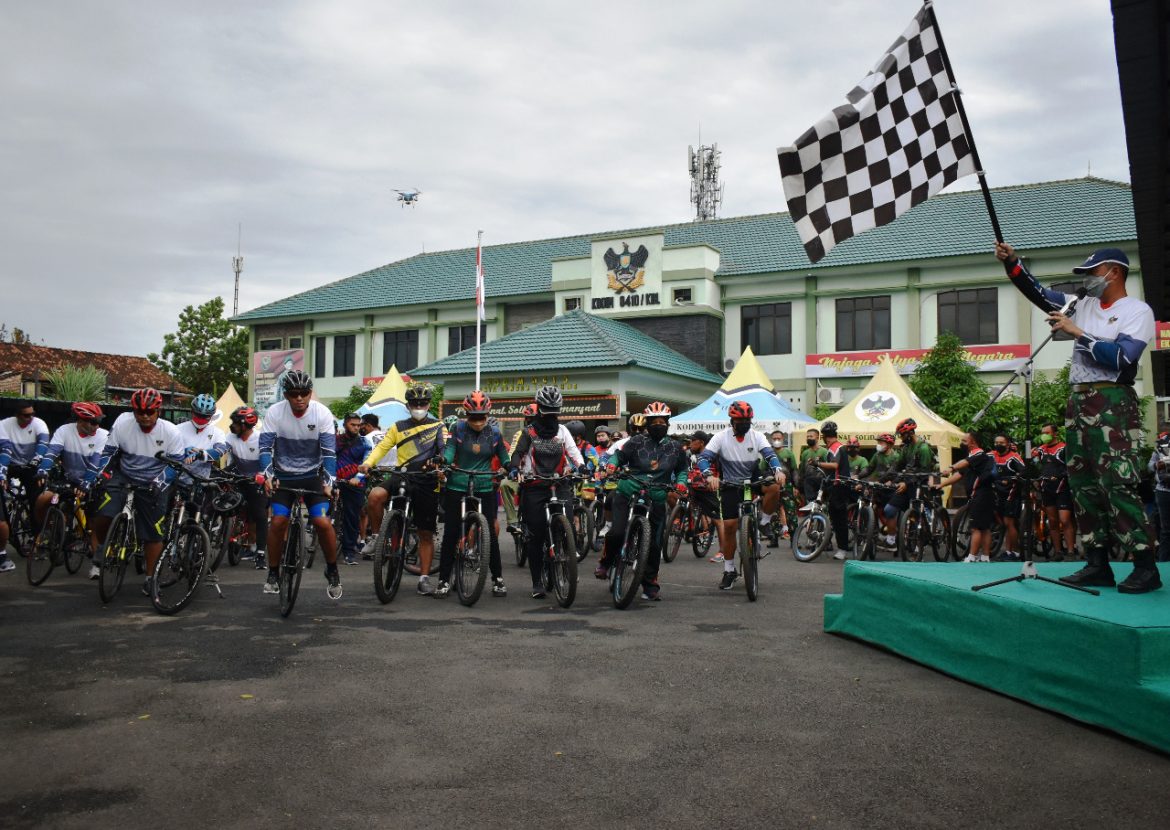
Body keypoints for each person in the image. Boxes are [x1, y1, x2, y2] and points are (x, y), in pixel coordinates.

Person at [997, 241, 1159, 592]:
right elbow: (1037, 292)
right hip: (1079, 402)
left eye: (1092, 273)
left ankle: (1145, 564)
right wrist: (1013, 264)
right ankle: (1096, 562)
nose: (1087, 280)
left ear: (1114, 272)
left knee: (1117, 482)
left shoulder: (1137, 311)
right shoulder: (1080, 304)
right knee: (1083, 485)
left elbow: (1122, 359)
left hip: (1113, 400)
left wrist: (1078, 333)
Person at [88, 388, 186, 595]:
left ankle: (151, 578)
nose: (145, 416)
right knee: (104, 513)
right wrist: (97, 474)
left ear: (158, 411)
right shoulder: (123, 424)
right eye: (140, 412)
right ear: (133, 411)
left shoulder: (171, 431)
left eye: (150, 412)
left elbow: (176, 465)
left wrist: (159, 482)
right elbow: (108, 453)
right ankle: (103, 546)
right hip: (124, 475)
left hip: (154, 481)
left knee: (153, 534)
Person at [257, 370, 343, 600]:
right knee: (278, 521)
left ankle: (332, 568)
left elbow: (329, 453)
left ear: (309, 393)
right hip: (283, 476)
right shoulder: (275, 412)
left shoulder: (321, 413)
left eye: (304, 393)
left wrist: (329, 482)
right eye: (294, 394)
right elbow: (265, 449)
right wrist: (268, 475)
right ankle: (273, 572)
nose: (299, 398)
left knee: (322, 522)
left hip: (312, 476)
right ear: (285, 394)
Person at [596, 402, 688, 600]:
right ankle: (606, 562)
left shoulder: (675, 447)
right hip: (628, 491)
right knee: (617, 532)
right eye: (654, 421)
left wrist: (681, 483)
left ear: (668, 423)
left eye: (662, 421)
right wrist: (611, 466)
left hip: (657, 496)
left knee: (654, 543)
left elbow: (682, 470)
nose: (658, 424)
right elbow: (618, 457)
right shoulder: (636, 441)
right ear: (647, 423)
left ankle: (650, 583)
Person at [359, 382, 444, 595]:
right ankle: (378, 537)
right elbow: (382, 448)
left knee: (425, 533)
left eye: (422, 403)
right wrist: (368, 464)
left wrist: (440, 463)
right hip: (402, 475)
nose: (418, 406)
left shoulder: (438, 426)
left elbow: (445, 450)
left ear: (428, 404)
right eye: (414, 403)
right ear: (408, 405)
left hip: (426, 480)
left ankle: (424, 579)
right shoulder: (397, 426)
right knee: (375, 496)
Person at [695, 401, 784, 590]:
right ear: (732, 421)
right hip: (729, 484)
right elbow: (704, 458)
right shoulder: (721, 437)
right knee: (729, 527)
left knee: (775, 487)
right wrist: (709, 476)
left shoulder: (757, 436)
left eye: (747, 420)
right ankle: (729, 570)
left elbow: (769, 454)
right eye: (740, 420)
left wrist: (778, 470)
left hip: (751, 483)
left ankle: (765, 522)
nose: (744, 423)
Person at [507, 386, 585, 598]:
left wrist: (583, 467)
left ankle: (565, 559)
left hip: (559, 484)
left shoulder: (563, 431)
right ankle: (537, 582)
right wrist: (515, 469)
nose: (550, 413)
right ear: (539, 408)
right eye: (546, 409)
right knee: (537, 535)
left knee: (566, 525)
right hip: (534, 486)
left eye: (554, 409)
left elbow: (574, 453)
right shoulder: (528, 432)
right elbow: (518, 454)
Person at [437, 391, 510, 598]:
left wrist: (508, 466)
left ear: (488, 414)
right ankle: (443, 580)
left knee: (490, 536)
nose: (478, 421)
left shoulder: (495, 432)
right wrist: (443, 461)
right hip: (457, 484)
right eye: (473, 417)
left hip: (485, 485)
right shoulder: (457, 428)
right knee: (451, 533)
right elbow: (450, 451)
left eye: (482, 417)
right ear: (466, 414)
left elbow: (503, 456)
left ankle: (498, 579)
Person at [35, 402, 108, 578]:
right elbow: (52, 452)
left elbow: (95, 465)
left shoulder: (103, 435)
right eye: (92, 422)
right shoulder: (64, 430)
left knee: (93, 523)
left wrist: (86, 484)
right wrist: (43, 470)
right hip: (70, 479)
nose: (96, 426)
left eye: (98, 421)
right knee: (43, 499)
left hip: (93, 480)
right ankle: (46, 531)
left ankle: (96, 565)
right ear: (80, 420)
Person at [0, 402, 51, 572]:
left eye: (32, 414)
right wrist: (3, 472)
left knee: (36, 500)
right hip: (11, 465)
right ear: (17, 415)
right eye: (26, 415)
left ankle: (38, 538)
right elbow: (5, 450)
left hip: (31, 466)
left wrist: (37, 459)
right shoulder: (4, 425)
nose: (30, 418)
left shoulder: (39, 423)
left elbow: (43, 444)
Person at [941, 431, 996, 562]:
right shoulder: (972, 457)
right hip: (981, 495)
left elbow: (962, 464)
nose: (962, 443)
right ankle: (985, 557)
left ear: (973, 442)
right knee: (985, 527)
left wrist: (950, 467)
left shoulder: (978, 454)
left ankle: (972, 556)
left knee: (976, 527)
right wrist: (941, 485)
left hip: (981, 495)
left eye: (964, 441)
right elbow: (960, 474)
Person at [224, 406, 269, 569]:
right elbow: (222, 450)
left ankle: (260, 553)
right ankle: (226, 533)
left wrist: (263, 475)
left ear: (245, 425)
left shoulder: (260, 439)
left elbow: (269, 462)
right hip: (238, 478)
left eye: (235, 422)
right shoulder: (230, 436)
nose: (232, 425)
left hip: (256, 481)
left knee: (259, 515)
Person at [175, 393, 229, 506]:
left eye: (205, 417)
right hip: (177, 480)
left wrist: (201, 454)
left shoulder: (217, 432)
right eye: (198, 415)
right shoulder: (178, 429)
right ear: (192, 411)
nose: (201, 419)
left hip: (201, 483)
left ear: (212, 416)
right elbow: (167, 450)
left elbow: (221, 450)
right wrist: (183, 452)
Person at [1033, 423, 1076, 562]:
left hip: (1062, 488)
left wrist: (1061, 475)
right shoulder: (1040, 450)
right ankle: (1057, 552)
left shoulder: (1064, 448)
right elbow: (1030, 462)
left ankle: (1070, 551)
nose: (1044, 435)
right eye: (1042, 432)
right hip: (1047, 488)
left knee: (1064, 520)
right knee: (1052, 521)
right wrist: (1029, 451)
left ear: (1055, 434)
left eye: (1047, 432)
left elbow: (1072, 467)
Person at [809, 421, 851, 560]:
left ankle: (842, 549)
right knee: (837, 518)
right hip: (838, 485)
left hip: (839, 486)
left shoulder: (835, 447)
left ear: (825, 437)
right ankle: (838, 546)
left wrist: (818, 463)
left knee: (839, 520)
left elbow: (834, 465)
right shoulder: (839, 447)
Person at [335, 413, 372, 566]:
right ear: (345, 425)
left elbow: (367, 461)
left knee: (352, 517)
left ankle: (349, 552)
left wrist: (358, 477)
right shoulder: (334, 441)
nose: (356, 428)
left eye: (358, 425)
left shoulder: (365, 443)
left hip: (356, 484)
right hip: (335, 481)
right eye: (353, 425)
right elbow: (327, 458)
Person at [501, 403, 539, 534]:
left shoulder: (551, 433)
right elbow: (512, 454)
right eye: (528, 419)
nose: (530, 422)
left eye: (534, 419)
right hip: (523, 475)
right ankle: (513, 521)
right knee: (505, 484)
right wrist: (513, 469)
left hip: (545, 475)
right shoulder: (520, 433)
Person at [991, 434, 1025, 562]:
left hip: (1011, 493)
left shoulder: (1014, 457)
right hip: (998, 493)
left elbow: (1024, 471)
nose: (998, 445)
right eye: (996, 442)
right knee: (1003, 524)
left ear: (1008, 444)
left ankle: (1015, 553)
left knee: (1009, 523)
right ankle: (1007, 551)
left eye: (1001, 443)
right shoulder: (992, 455)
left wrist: (1014, 477)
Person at [866, 433, 900, 548]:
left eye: (881, 442)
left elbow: (891, 473)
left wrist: (880, 481)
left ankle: (891, 539)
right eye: (878, 442)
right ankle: (874, 532)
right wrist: (857, 476)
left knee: (890, 513)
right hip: (879, 487)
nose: (878, 445)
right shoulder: (877, 455)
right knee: (874, 508)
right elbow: (869, 469)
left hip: (891, 489)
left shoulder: (896, 457)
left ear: (889, 445)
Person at [769, 430, 797, 540]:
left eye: (778, 438)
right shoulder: (768, 454)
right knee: (774, 513)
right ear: (771, 440)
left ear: (782, 439)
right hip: (773, 486)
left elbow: (794, 470)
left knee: (791, 512)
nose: (776, 440)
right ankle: (774, 539)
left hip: (787, 486)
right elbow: (762, 469)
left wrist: (796, 486)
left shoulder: (789, 453)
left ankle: (794, 539)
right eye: (774, 438)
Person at [1151, 432, 1170, 564]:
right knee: (1166, 530)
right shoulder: (1162, 442)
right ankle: (1164, 563)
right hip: (1164, 491)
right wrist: (1156, 465)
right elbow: (1150, 464)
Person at [798, 427, 827, 503]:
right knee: (810, 504)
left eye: (811, 436)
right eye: (807, 437)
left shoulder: (824, 452)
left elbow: (828, 467)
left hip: (821, 482)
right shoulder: (805, 453)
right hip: (808, 485)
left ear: (817, 438)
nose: (809, 438)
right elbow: (802, 470)